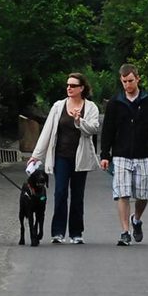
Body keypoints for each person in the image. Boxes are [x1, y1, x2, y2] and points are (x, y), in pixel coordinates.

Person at [28, 73, 102, 244]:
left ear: (81, 88)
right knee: (60, 193)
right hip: (61, 156)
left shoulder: (91, 108)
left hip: (80, 157)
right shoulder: (58, 106)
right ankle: (58, 232)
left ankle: (76, 233)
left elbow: (93, 129)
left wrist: (79, 120)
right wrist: (36, 156)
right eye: (68, 85)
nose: (69, 88)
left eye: (73, 85)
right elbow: (47, 131)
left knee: (77, 195)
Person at [99, 64, 148, 246]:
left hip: (143, 154)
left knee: (143, 194)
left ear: (137, 79)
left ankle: (136, 219)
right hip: (121, 154)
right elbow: (108, 130)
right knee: (123, 193)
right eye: (124, 81)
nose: (127, 85)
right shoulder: (115, 102)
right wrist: (105, 155)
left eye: (130, 81)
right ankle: (124, 231)